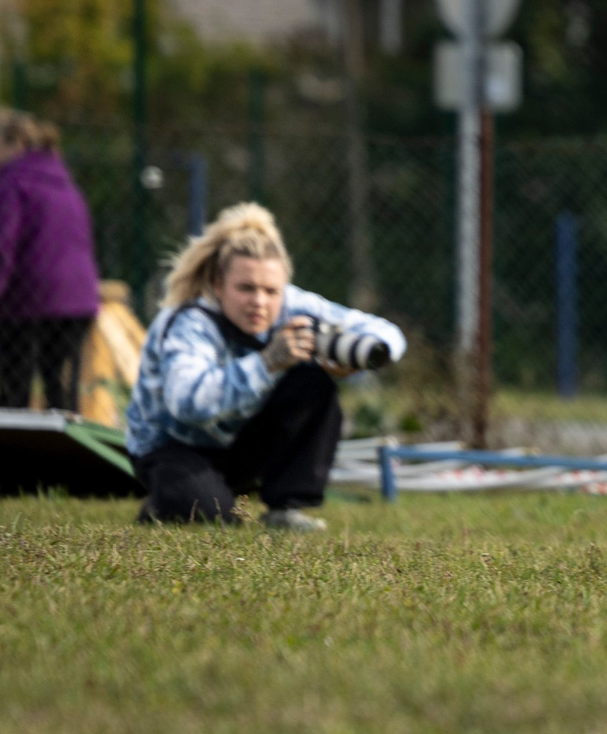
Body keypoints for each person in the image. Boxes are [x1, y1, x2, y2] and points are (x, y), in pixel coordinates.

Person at [124, 202, 403, 531]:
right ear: (218, 285)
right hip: (173, 448)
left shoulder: (292, 304)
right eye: (245, 289)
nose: (259, 301)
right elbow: (188, 405)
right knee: (213, 518)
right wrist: (267, 362)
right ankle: (164, 503)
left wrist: (349, 359)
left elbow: (388, 334)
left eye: (271, 291)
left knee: (312, 381)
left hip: (237, 441)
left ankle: (286, 509)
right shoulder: (188, 322)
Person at [0, 110, 102, 411]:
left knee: (15, 390)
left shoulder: (13, 182)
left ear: (17, 144)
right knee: (59, 388)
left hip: (30, 300)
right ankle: (65, 453)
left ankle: (9, 452)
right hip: (78, 300)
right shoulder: (66, 184)